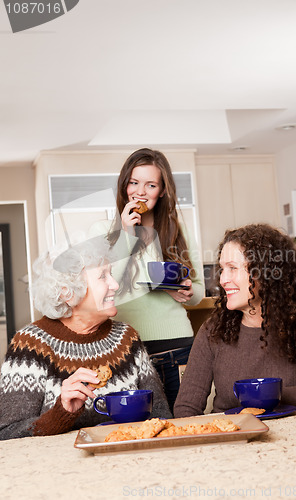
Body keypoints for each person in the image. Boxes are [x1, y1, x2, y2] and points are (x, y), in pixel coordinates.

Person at [0, 234, 171, 441]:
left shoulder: (127, 339)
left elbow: (161, 418)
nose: (115, 285)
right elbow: (7, 434)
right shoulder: (29, 345)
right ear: (67, 292)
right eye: (102, 276)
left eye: (111, 274)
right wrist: (61, 412)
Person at [174, 223, 296, 417]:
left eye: (232, 268)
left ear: (266, 272)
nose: (223, 279)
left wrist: (279, 395)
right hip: (232, 439)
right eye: (222, 269)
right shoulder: (213, 329)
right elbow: (186, 408)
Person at [110, 148, 205, 413]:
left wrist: (186, 290)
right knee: (138, 431)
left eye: (150, 184)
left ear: (162, 190)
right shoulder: (104, 232)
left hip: (179, 347)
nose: (140, 192)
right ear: (124, 185)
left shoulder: (177, 230)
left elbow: (199, 293)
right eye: (134, 183)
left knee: (186, 424)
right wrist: (126, 234)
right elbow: (107, 286)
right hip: (130, 354)